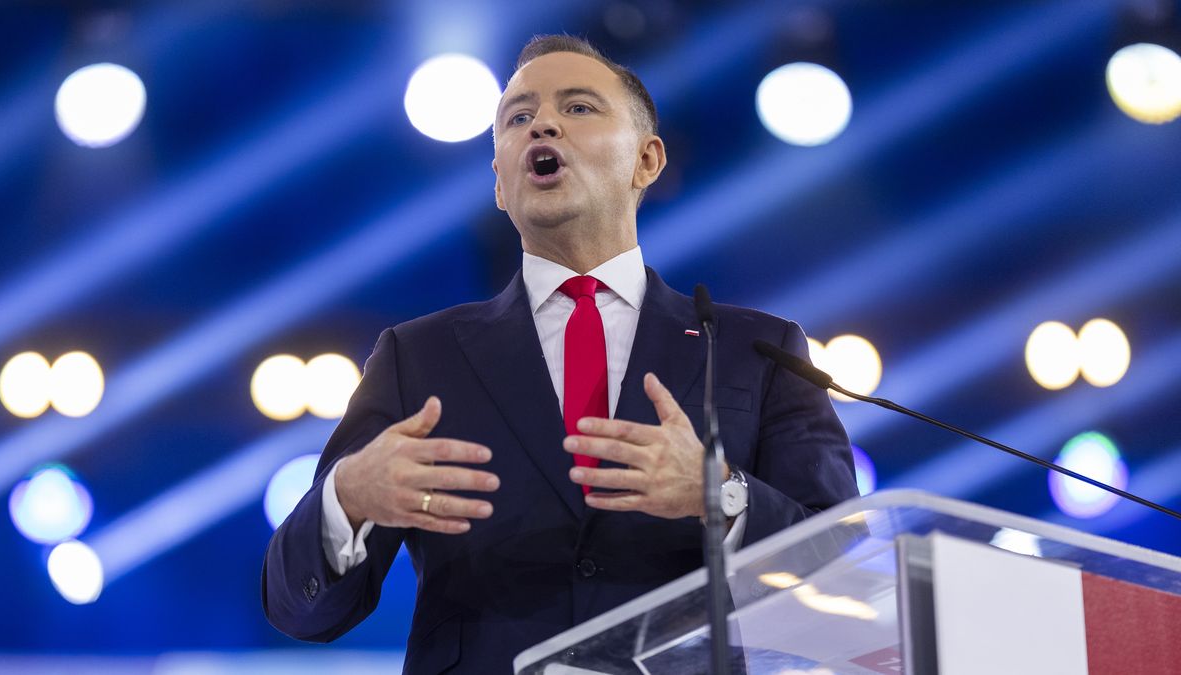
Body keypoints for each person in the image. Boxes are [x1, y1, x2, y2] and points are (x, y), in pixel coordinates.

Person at [262, 34, 858, 674]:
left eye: (578, 107)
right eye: (517, 117)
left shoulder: (755, 352)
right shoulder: (418, 356)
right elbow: (300, 609)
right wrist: (348, 497)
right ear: (499, 181)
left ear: (647, 160)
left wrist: (721, 494)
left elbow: (841, 571)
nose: (541, 124)